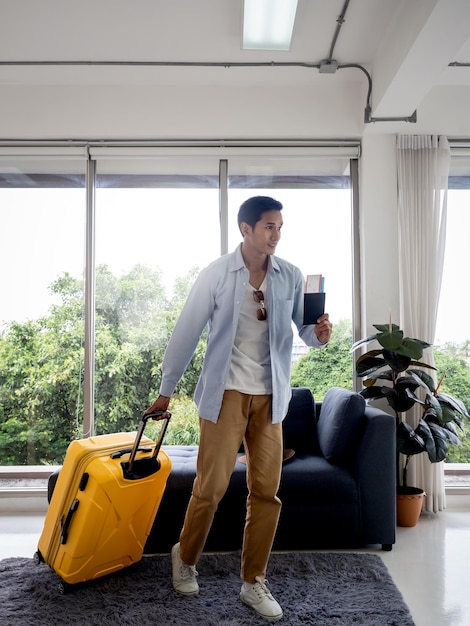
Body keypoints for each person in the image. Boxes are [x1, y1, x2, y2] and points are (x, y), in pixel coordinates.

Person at [146, 195, 332, 622]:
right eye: (268, 227)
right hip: (226, 392)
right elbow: (186, 332)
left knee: (266, 492)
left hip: (271, 397)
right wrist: (166, 389)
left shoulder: (290, 275)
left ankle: (253, 581)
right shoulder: (216, 274)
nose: (276, 235)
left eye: (280, 227)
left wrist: (320, 334)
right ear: (245, 229)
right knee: (210, 488)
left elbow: (306, 330)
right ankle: (186, 557)